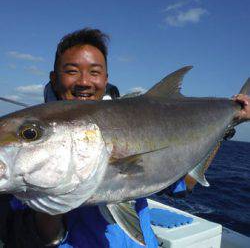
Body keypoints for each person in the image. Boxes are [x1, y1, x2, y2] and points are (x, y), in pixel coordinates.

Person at [1, 28, 250, 248]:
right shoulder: (20, 184)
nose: (85, 82)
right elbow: (32, 239)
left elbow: (186, 185)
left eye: (95, 72)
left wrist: (228, 125)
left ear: (105, 79)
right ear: (54, 78)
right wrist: (46, 203)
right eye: (72, 71)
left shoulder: (140, 119)